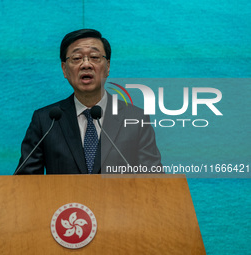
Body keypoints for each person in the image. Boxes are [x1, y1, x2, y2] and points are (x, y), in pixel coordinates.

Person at [14, 29, 162, 175]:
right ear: (64, 69)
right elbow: (25, 183)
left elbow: (154, 181)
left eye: (94, 57)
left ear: (108, 66)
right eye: (77, 58)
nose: (86, 64)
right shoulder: (46, 120)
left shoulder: (136, 118)